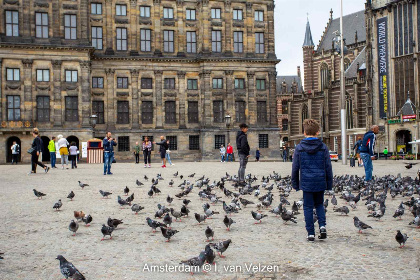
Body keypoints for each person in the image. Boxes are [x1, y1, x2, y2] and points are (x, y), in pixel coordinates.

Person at [291, 119, 332, 242]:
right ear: (318, 132)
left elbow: (295, 167)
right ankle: (322, 226)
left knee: (308, 207)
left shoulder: (299, 147)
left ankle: (310, 233)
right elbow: (328, 167)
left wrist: (295, 183)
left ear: (304, 132)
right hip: (320, 181)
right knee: (319, 204)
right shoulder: (323, 147)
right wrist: (329, 184)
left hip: (307, 182)